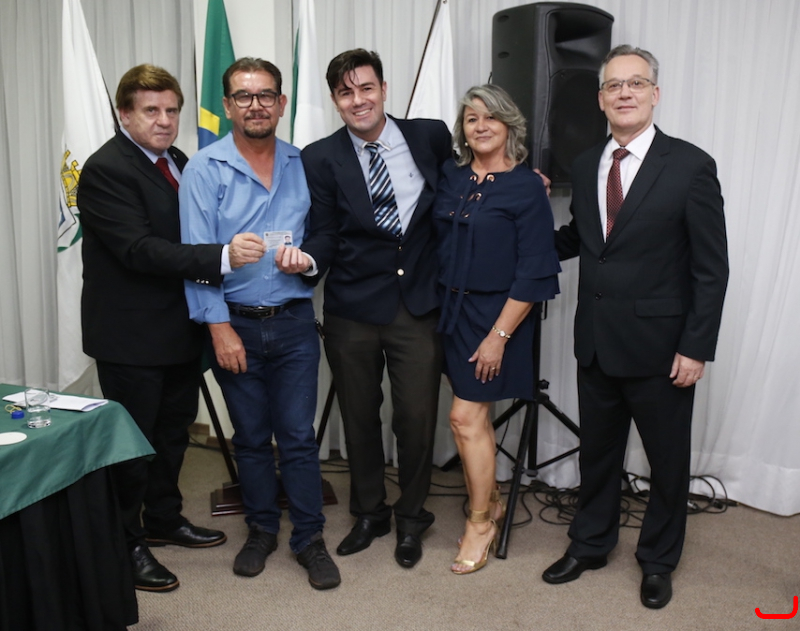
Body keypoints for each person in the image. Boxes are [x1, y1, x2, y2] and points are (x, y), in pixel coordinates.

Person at [544, 45, 729, 608]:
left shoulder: (690, 165)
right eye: (613, 85)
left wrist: (696, 346)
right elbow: (583, 237)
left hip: (662, 347)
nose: (624, 92)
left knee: (666, 462)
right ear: (601, 99)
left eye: (636, 83)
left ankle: (658, 560)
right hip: (596, 341)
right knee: (597, 454)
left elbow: (711, 268)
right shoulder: (585, 164)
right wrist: (522, 232)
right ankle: (591, 543)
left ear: (655, 94)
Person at [79, 64, 264, 592]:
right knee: (132, 447)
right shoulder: (106, 169)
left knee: (171, 435)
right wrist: (221, 256)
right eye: (151, 111)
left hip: (180, 329)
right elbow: (139, 250)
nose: (164, 121)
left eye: (172, 110)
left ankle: (163, 518)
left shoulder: (179, 161)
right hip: (131, 337)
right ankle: (126, 542)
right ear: (124, 114)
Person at [287, 49, 452, 569]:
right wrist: (308, 260)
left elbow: (461, 190)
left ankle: (412, 517)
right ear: (334, 100)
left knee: (416, 418)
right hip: (352, 306)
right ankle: (369, 512)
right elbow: (325, 231)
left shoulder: (430, 135)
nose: (358, 100)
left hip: (417, 303)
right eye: (345, 92)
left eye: (366, 88)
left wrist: (518, 179)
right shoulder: (320, 157)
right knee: (358, 416)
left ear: (383, 88)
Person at [180, 57, 340, 591]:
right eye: (244, 96)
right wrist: (218, 328)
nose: (256, 105)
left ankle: (309, 539)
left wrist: (308, 260)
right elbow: (196, 256)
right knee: (250, 438)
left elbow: (325, 234)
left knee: (297, 436)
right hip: (236, 325)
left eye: (266, 95)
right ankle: (262, 529)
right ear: (227, 105)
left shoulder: (303, 163)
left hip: (294, 322)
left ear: (281, 103)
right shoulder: (204, 168)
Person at [434, 85, 561, 574]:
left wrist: (498, 337)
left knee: (464, 418)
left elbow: (534, 270)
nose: (481, 126)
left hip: (498, 318)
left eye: (491, 117)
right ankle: (491, 500)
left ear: (510, 126)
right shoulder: (451, 174)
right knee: (476, 420)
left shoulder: (526, 187)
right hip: (450, 313)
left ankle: (480, 522)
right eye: (471, 118)